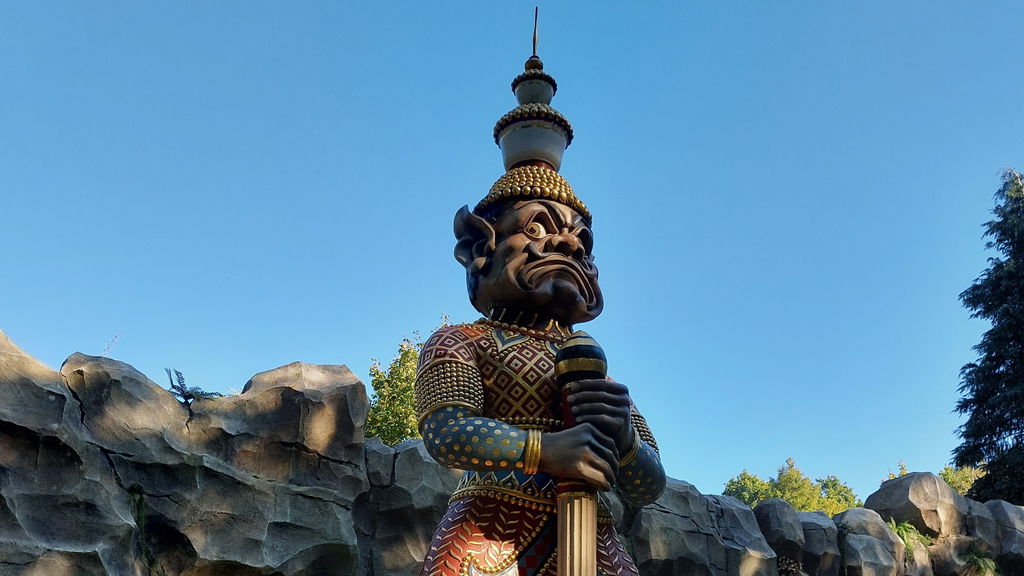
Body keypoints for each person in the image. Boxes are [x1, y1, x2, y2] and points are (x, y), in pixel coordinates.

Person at [415, 167, 666, 576]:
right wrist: (544, 450)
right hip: (488, 534)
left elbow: (649, 484)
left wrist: (623, 436)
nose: (570, 244)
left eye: (583, 243)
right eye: (536, 228)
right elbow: (447, 433)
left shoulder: (598, 376)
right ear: (479, 246)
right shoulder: (461, 340)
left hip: (593, 538)